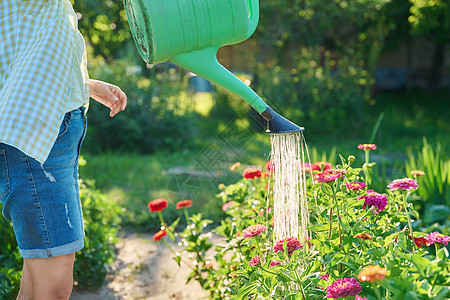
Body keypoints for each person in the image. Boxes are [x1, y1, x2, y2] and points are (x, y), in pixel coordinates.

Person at [0, 0, 127, 299]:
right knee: (52, 286)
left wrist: (86, 84)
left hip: (42, 135)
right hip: (36, 144)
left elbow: (23, 48)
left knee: (37, 284)